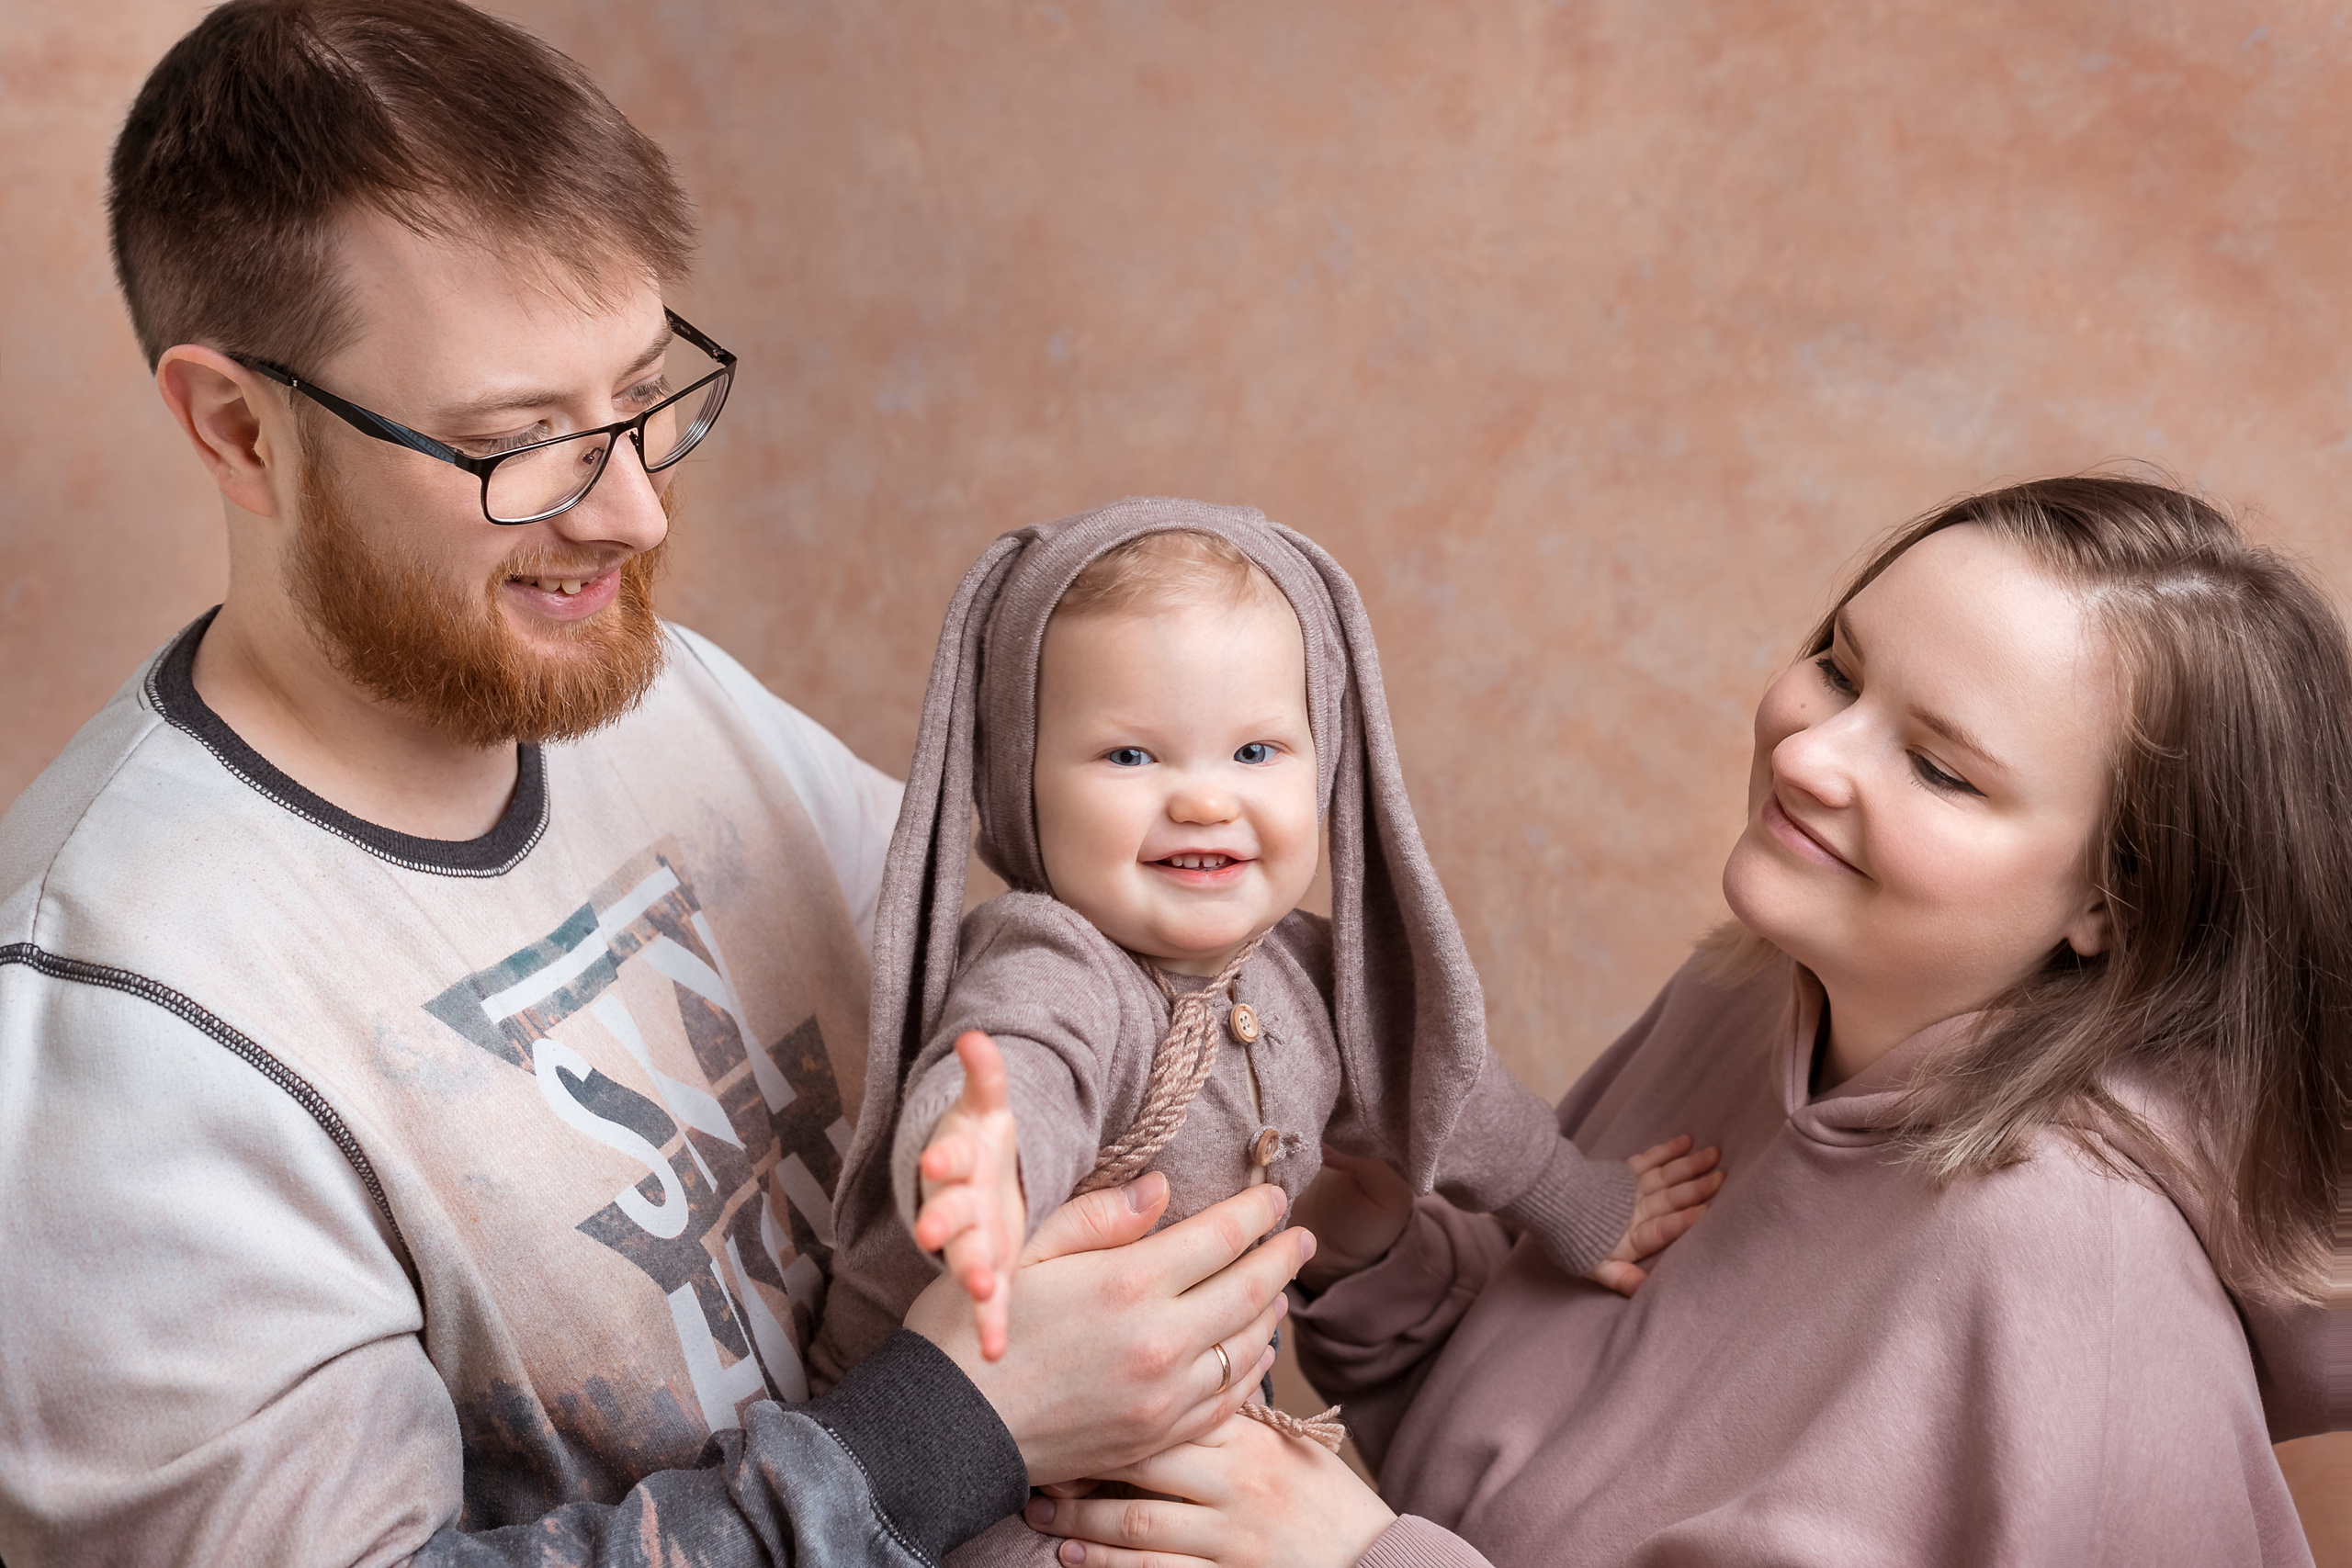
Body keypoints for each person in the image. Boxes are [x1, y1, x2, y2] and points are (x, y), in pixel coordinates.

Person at [0, 4, 1311, 1564]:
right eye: (520, 441)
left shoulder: (651, 690)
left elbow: (1043, 1011)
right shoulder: (122, 1041)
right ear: (240, 430)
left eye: (640, 394)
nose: (627, 512)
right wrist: (961, 1427)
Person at [1022, 476, 2352, 1567]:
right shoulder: (1756, 990)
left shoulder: (2073, 1262)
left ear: (2114, 900)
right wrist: (1368, 1241)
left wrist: (1359, 1558)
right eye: (1839, 666)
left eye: (1940, 765)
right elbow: (1520, 1450)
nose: (1810, 754)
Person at [812, 503, 1720, 1561]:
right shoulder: (1052, 958)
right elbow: (1023, 1064)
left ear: (1324, 769)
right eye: (1129, 756)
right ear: (1022, 783)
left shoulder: (1307, 969)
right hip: (964, 1475)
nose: (1204, 799)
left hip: (1150, 1431)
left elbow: (1449, 1090)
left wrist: (1575, 1201)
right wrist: (980, 1166)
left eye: (1254, 749)